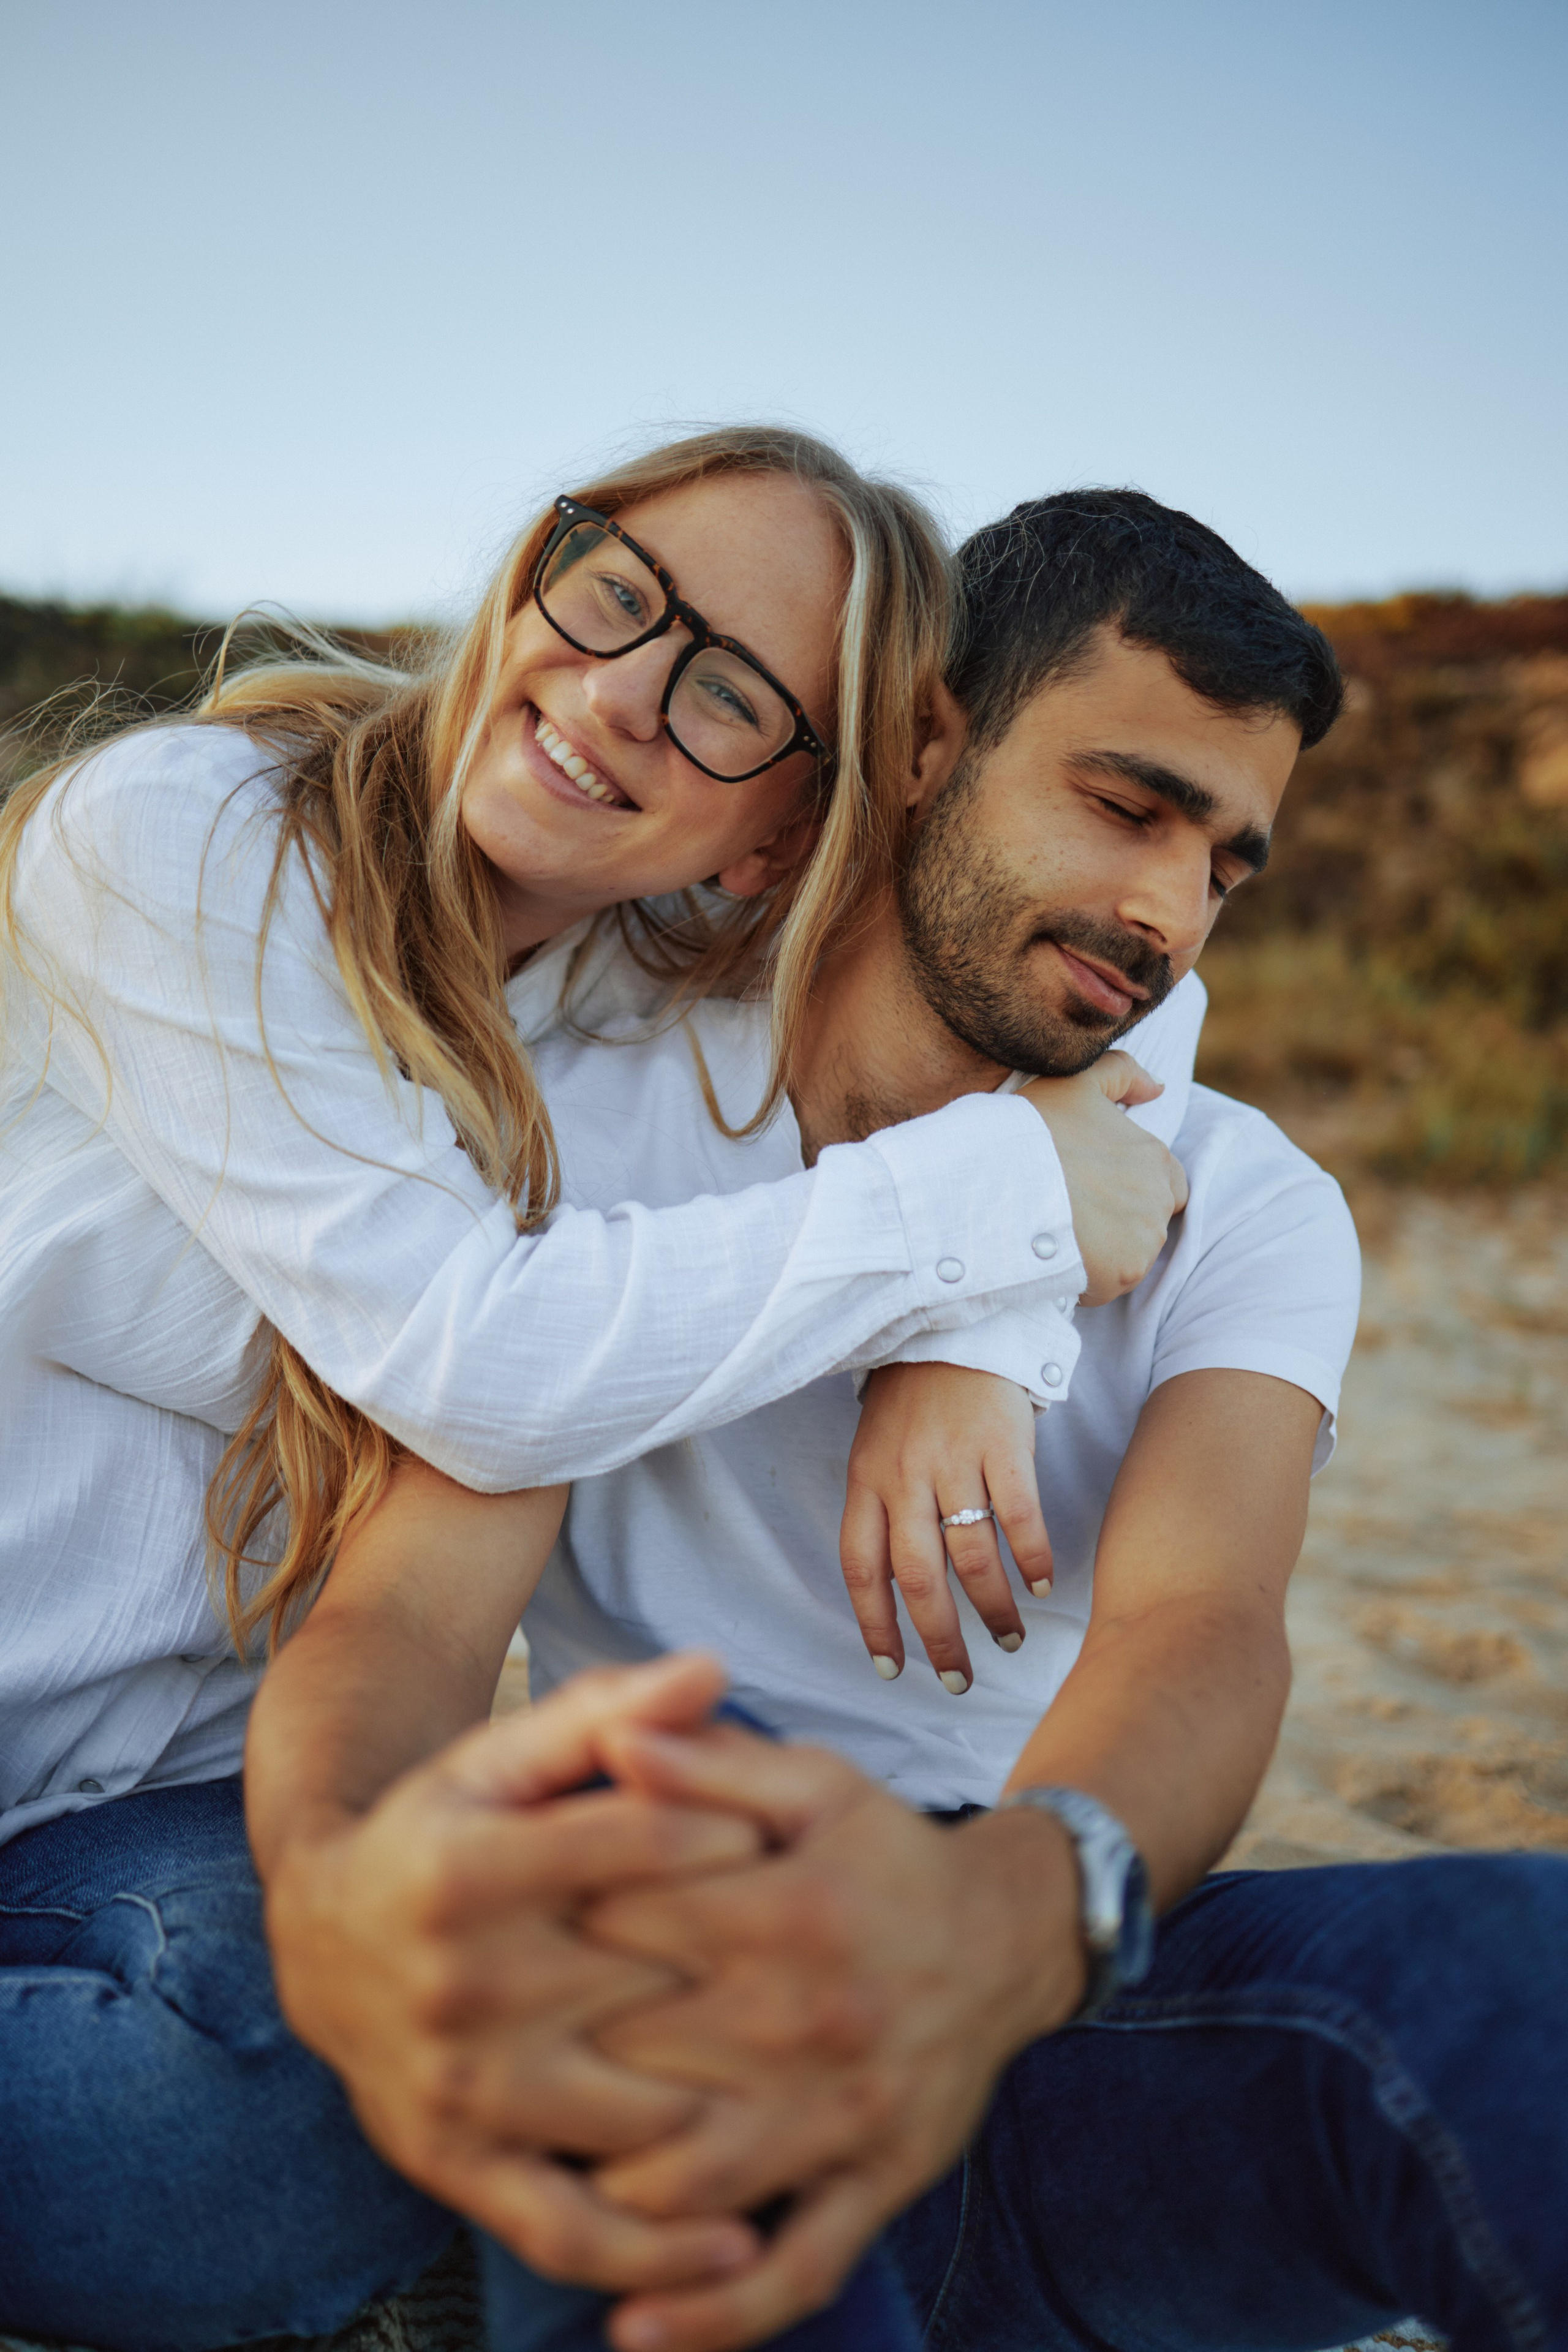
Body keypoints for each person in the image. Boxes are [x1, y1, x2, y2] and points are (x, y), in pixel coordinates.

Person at [257, 492, 1568, 2352]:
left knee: (1530, 1973)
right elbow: (406, 1615)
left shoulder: (1249, 1201)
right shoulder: (595, 1106)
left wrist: (1001, 1925)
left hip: (1055, 1986)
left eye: (1227, 865)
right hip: (696, 1983)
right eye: (1126, 807)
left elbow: (1205, 1625)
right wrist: (337, 1887)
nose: (1169, 916)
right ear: (924, 740)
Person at [0, 434, 1186, 2351]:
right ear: (538, 570)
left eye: (733, 697)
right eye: (615, 587)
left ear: (782, 838)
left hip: (163, 1819)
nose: (620, 693)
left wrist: (983, 1327)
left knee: (423, 2043)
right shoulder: (182, 831)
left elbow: (1104, 939)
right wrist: (992, 1207)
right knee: (292, 2134)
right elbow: (477, 1357)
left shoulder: (643, 980)